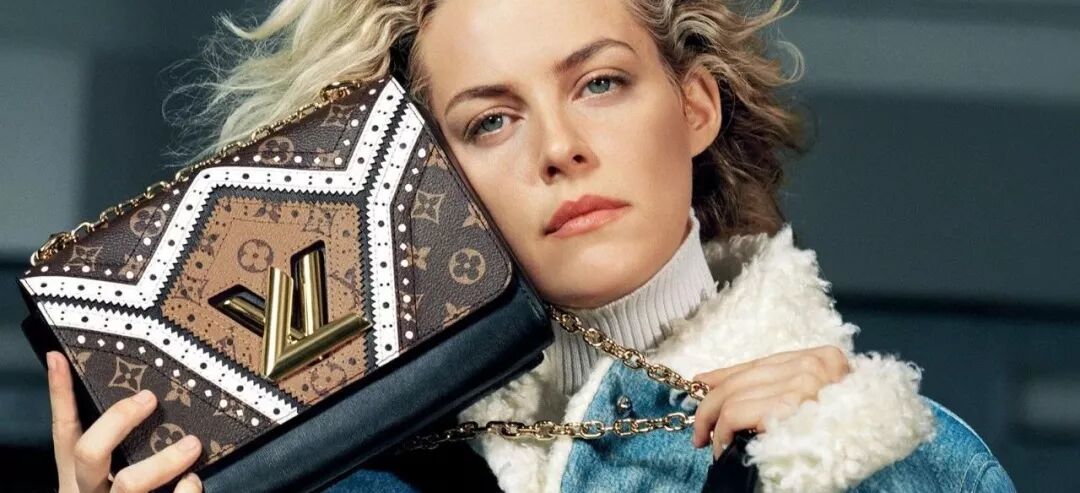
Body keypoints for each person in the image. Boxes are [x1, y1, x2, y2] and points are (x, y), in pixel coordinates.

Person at [44, 0, 1017, 491]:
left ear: (695, 106)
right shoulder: (347, 482)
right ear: (432, 182)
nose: (560, 147)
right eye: (491, 121)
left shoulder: (885, 444)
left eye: (600, 83)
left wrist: (847, 464)